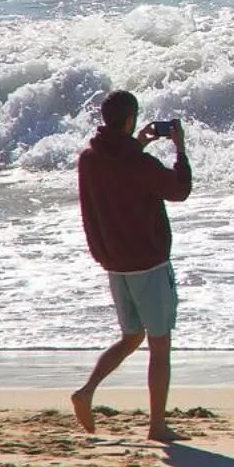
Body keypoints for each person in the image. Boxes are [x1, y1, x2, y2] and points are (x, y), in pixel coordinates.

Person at [70, 90, 193, 443]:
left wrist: (138, 143)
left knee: (131, 337)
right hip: (147, 264)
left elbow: (119, 169)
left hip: (115, 263)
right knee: (159, 346)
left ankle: (87, 390)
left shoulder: (90, 158)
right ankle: (157, 426)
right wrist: (180, 149)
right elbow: (179, 189)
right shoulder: (137, 165)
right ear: (129, 119)